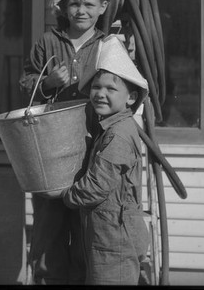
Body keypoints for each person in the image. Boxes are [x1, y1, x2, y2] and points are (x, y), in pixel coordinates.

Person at [19, 0, 116, 285]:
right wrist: (48, 83)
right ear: (63, 6)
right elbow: (26, 83)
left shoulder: (108, 45)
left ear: (102, 7)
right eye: (74, 3)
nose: (81, 11)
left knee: (88, 227)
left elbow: (122, 91)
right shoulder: (48, 42)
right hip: (49, 151)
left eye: (89, 4)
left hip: (92, 149)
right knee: (49, 228)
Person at [60, 34, 150, 285]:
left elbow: (96, 187)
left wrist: (66, 196)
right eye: (96, 87)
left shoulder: (119, 134)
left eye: (111, 89)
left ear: (131, 98)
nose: (100, 94)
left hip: (115, 237)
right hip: (104, 233)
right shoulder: (107, 128)